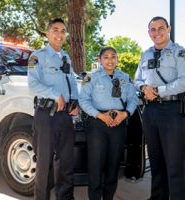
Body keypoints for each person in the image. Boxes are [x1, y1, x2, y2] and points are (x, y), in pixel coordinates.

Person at [27, 18, 79, 200]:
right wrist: (54, 94)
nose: (60, 34)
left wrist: (76, 102)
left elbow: (72, 81)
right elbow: (32, 84)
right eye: (55, 30)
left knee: (66, 163)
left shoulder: (66, 57)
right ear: (47, 33)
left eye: (63, 30)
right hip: (46, 115)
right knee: (44, 164)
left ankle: (65, 197)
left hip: (65, 117)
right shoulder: (37, 56)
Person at [134, 16, 185, 200]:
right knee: (156, 160)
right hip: (150, 112)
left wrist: (158, 90)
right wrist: (143, 88)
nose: (157, 32)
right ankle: (158, 197)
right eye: (153, 29)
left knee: (175, 162)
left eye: (160, 28)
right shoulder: (145, 54)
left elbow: (184, 81)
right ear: (149, 33)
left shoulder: (179, 53)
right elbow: (137, 80)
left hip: (172, 111)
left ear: (168, 29)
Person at [79, 47, 139, 200]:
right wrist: (101, 116)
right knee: (95, 166)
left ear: (117, 59)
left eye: (113, 56)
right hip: (97, 125)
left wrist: (125, 114)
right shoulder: (90, 76)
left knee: (113, 166)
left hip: (118, 125)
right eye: (106, 57)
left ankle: (108, 197)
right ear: (100, 60)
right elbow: (83, 100)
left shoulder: (125, 77)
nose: (110, 60)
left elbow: (133, 99)